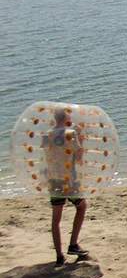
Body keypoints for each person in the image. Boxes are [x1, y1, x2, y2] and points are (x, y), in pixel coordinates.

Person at [41, 108, 89, 266]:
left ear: (55, 118)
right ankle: (73, 244)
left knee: (56, 218)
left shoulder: (46, 135)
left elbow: (48, 156)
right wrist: (80, 136)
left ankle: (59, 256)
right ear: (66, 117)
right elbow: (79, 157)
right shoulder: (71, 133)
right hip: (68, 179)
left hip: (53, 180)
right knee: (81, 207)